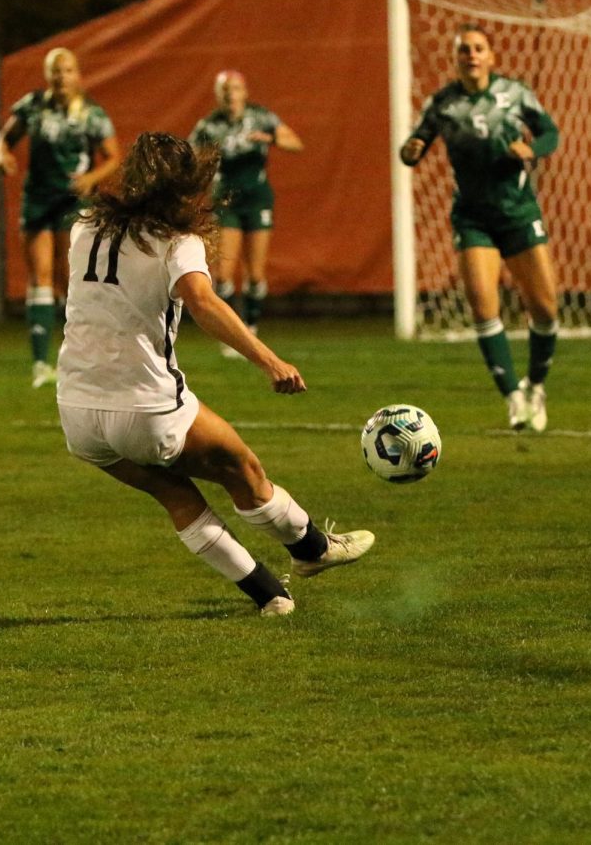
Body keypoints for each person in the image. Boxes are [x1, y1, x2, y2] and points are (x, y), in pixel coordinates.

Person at [56, 131, 374, 617]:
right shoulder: (176, 242)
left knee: (175, 496)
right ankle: (314, 550)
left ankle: (270, 595)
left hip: (76, 411)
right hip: (145, 408)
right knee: (241, 469)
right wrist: (271, 361)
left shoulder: (83, 227)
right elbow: (201, 301)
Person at [399, 24, 560, 432]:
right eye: (464, 50)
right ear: (456, 60)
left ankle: (536, 386)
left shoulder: (514, 93)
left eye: (478, 48)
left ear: (491, 56)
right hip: (473, 217)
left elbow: (549, 132)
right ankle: (513, 399)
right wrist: (410, 150)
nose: (471, 55)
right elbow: (415, 144)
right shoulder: (443, 104)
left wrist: (532, 148)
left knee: (545, 308)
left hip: (518, 211)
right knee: (483, 305)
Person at [0, 47, 120, 388]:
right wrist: (1, 155)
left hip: (72, 202)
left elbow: (113, 156)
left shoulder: (91, 114)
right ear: (48, 75)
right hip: (37, 198)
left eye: (66, 70)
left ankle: (79, 358)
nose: (61, 76)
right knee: (40, 277)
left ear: (77, 75)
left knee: (71, 280)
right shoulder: (33, 106)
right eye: (55, 71)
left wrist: (92, 179)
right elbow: (5, 137)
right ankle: (39, 364)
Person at [189, 70, 302, 358]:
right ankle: (233, 334)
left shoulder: (261, 117)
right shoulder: (209, 126)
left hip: (258, 198)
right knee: (224, 274)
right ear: (218, 95)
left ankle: (250, 328)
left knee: (255, 273)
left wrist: (271, 138)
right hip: (226, 200)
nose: (231, 94)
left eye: (236, 88)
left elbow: (295, 142)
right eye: (225, 89)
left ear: (245, 91)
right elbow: (189, 157)